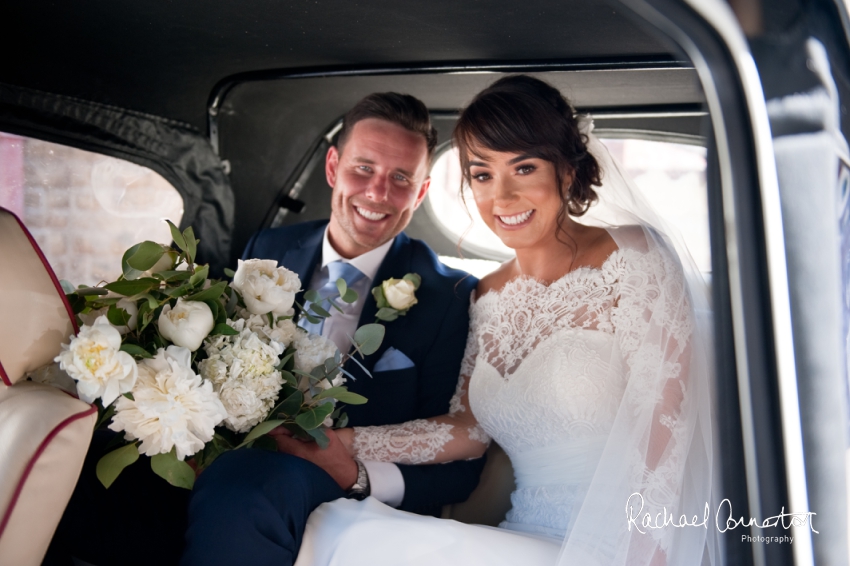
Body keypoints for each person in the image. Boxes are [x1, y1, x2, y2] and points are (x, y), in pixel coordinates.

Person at [289, 75, 717, 566]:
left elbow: (666, 430)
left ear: (568, 171)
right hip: (523, 533)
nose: (503, 197)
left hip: (616, 544)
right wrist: (341, 441)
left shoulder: (634, 256)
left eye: (525, 167)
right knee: (334, 525)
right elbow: (469, 430)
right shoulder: (485, 295)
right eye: (482, 174)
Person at [179, 93, 484, 566]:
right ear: (333, 168)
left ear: (421, 192)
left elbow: (459, 468)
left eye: (401, 178)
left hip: (331, 486)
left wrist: (356, 475)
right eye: (364, 168)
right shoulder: (268, 248)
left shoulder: (452, 297)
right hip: (231, 453)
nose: (378, 193)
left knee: (247, 486)